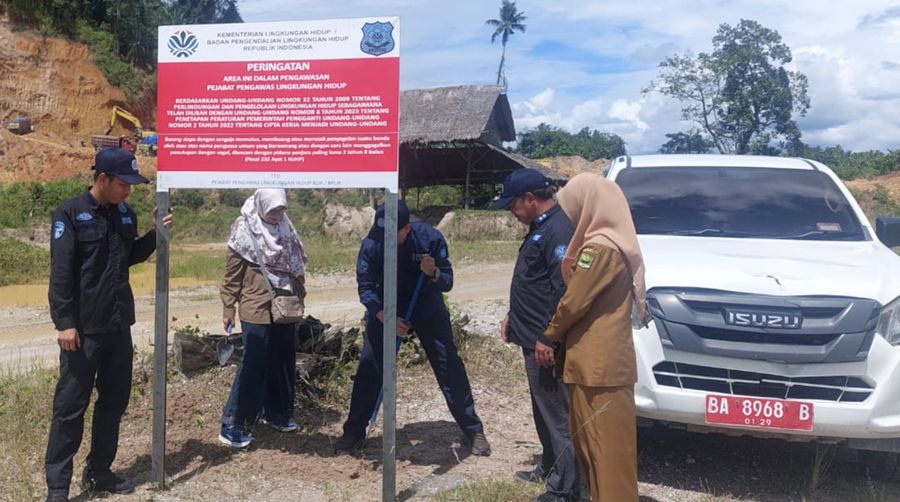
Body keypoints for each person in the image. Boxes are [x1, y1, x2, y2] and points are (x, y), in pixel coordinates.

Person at [45, 148, 173, 502]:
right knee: (70, 408)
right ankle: (58, 488)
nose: (128, 191)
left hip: (118, 328)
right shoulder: (70, 214)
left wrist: (154, 235)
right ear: (102, 179)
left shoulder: (125, 215)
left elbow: (128, 257)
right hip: (83, 332)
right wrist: (65, 322)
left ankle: (99, 472)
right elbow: (61, 274)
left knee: (113, 404)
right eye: (123, 184)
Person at [333, 200, 490, 456]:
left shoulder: (429, 239)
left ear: (406, 229)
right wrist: (385, 317)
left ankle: (472, 429)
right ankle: (354, 431)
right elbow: (366, 287)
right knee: (371, 364)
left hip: (425, 300)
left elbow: (447, 282)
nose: (384, 239)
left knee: (447, 362)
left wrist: (433, 272)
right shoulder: (372, 243)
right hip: (386, 303)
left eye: (391, 234)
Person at [542, 173, 648, 502]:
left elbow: (574, 301)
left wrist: (549, 335)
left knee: (607, 456)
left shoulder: (599, 249)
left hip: (598, 369)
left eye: (573, 208)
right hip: (595, 367)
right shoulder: (606, 244)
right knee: (597, 452)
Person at [493, 169, 579, 502]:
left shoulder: (558, 230)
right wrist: (513, 316)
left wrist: (548, 338)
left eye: (512, 204)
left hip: (544, 343)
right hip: (530, 337)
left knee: (557, 414)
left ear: (530, 199)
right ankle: (549, 465)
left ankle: (565, 489)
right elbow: (535, 284)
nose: (511, 212)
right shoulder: (541, 228)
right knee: (543, 408)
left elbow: (562, 290)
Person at [219, 188, 307, 448]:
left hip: (285, 302)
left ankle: (277, 413)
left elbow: (297, 267)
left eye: (281, 209)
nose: (277, 214)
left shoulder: (286, 229)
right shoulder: (244, 230)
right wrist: (228, 307)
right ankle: (233, 422)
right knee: (254, 357)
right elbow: (232, 274)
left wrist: (300, 299)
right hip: (255, 302)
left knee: (283, 356)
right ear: (260, 205)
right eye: (273, 209)